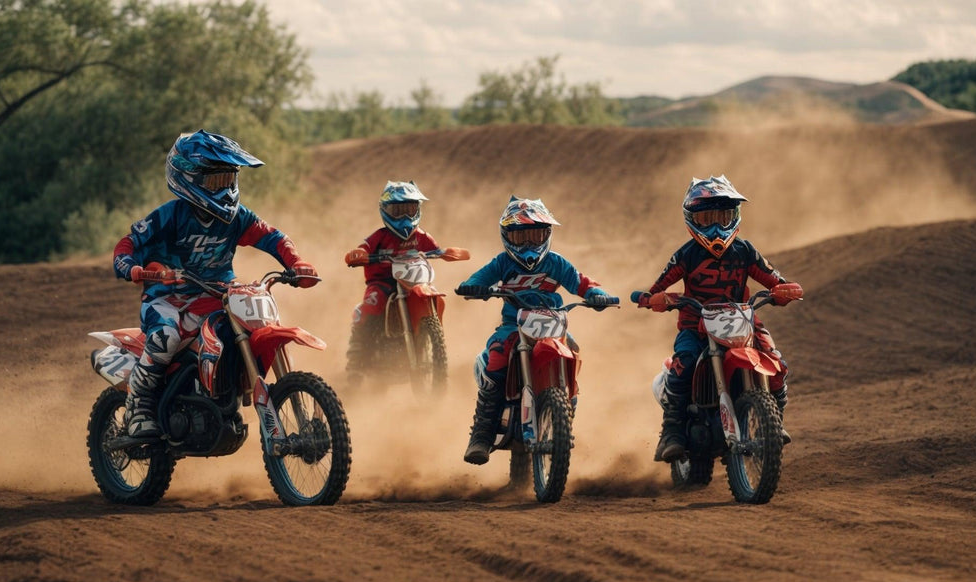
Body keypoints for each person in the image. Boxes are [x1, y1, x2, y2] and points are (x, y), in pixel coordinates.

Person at [112, 130, 318, 438]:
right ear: (189, 177)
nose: (224, 188)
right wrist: (132, 267)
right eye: (215, 181)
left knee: (253, 322)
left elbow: (273, 237)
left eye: (228, 179)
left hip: (219, 295)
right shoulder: (171, 216)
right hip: (169, 299)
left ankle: (224, 394)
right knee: (166, 337)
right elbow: (129, 242)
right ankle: (139, 405)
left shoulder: (236, 218)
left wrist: (296, 263)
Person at [634, 175, 803, 463]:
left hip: (742, 320)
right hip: (695, 325)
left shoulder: (745, 251)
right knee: (683, 365)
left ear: (734, 217)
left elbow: (773, 278)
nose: (716, 226)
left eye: (723, 216)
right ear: (692, 219)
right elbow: (659, 285)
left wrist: (783, 290)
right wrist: (652, 298)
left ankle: (774, 422)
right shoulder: (686, 255)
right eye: (707, 217)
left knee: (777, 364)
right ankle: (672, 432)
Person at [454, 196, 615, 465]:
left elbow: (582, 283)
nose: (529, 243)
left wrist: (598, 294)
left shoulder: (556, 263)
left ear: (547, 234)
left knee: (573, 351)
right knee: (496, 358)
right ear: (507, 237)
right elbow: (477, 279)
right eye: (521, 237)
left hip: (553, 325)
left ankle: (563, 419)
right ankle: (481, 436)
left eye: (536, 234)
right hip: (514, 327)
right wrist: (473, 287)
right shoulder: (502, 263)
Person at [343, 181, 465, 375]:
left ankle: (429, 338)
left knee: (435, 296)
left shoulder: (421, 236)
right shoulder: (380, 237)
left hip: (414, 282)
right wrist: (359, 254)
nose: (405, 216)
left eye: (410, 209)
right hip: (382, 282)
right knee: (369, 306)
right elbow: (364, 248)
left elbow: (435, 249)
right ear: (385, 210)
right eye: (398, 210)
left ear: (418, 209)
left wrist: (445, 253)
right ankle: (356, 363)